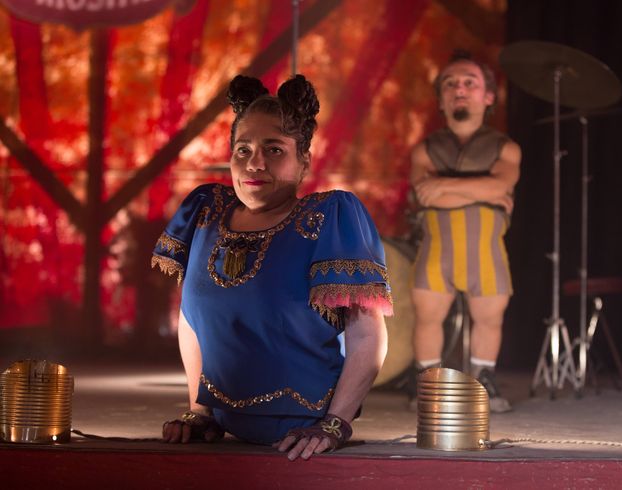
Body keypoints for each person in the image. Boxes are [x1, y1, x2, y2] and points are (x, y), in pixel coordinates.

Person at [152, 74, 391, 460]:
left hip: (306, 436)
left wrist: (334, 425)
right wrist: (200, 412)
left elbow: (367, 335)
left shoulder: (330, 218)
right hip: (227, 435)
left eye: (274, 149)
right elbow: (192, 321)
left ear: (304, 161)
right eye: (243, 149)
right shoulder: (206, 212)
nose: (255, 162)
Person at [409, 50, 521, 412]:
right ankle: (427, 384)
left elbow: (500, 186)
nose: (460, 89)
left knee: (489, 319)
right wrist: (483, 190)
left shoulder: (505, 147)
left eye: (469, 83)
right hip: (436, 252)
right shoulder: (425, 149)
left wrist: (443, 185)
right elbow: (425, 196)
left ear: (488, 96)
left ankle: (484, 380)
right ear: (440, 98)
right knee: (427, 317)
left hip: (486, 254)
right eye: (450, 83)